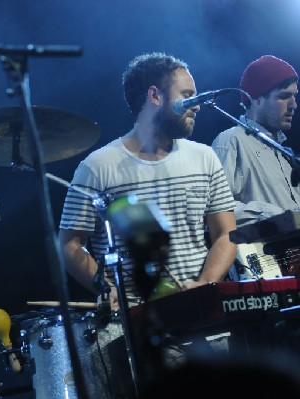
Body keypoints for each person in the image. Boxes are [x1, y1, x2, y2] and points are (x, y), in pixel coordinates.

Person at [58, 52, 237, 396]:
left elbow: (227, 233)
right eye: (187, 95)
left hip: (205, 320)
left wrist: (205, 283)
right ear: (155, 96)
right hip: (139, 328)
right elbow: (69, 244)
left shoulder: (204, 157)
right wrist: (106, 287)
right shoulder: (99, 167)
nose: (197, 104)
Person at [211, 55, 300, 229]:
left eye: (294, 97)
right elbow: (215, 208)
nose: (294, 105)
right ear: (256, 99)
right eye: (284, 96)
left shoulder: (285, 154)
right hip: (266, 253)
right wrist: (275, 216)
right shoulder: (231, 141)